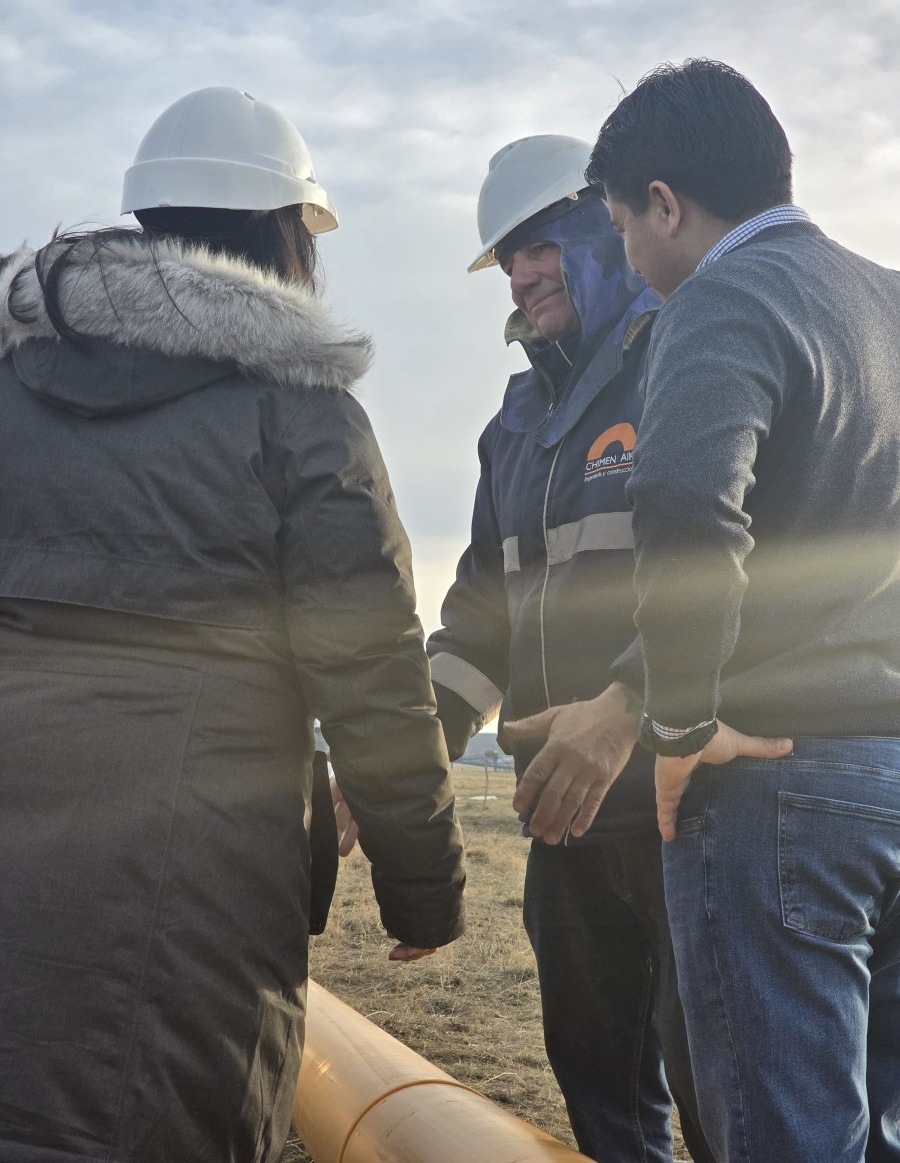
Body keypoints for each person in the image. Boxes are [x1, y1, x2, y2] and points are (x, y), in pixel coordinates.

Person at [0, 86, 465, 1163]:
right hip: (197, 885)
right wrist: (423, 891)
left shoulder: (12, 388)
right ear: (285, 237)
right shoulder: (302, 415)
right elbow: (373, 671)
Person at [538, 58, 900, 1162]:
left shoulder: (720, 298)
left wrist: (682, 718)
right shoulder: (887, 298)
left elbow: (691, 502)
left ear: (665, 204)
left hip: (780, 782)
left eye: (621, 226)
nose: (631, 261)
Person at [426, 134, 715, 1163]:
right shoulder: (514, 427)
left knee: (727, 1095)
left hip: (692, 806)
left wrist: (630, 708)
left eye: (539, 246)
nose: (520, 275)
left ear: (605, 227)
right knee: (600, 1089)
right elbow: (479, 619)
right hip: (564, 821)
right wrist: (403, 757)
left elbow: (741, 570)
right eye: (508, 259)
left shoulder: (690, 357)